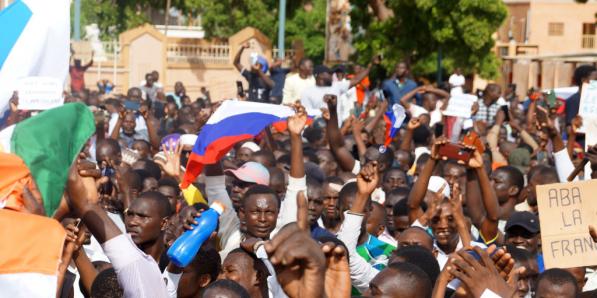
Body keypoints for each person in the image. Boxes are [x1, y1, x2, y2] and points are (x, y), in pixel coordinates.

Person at [300, 56, 378, 113]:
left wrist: (371, 65)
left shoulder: (336, 86)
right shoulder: (307, 92)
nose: (332, 75)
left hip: (338, 131)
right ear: (321, 76)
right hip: (319, 133)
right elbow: (307, 113)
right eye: (329, 73)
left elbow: (356, 80)